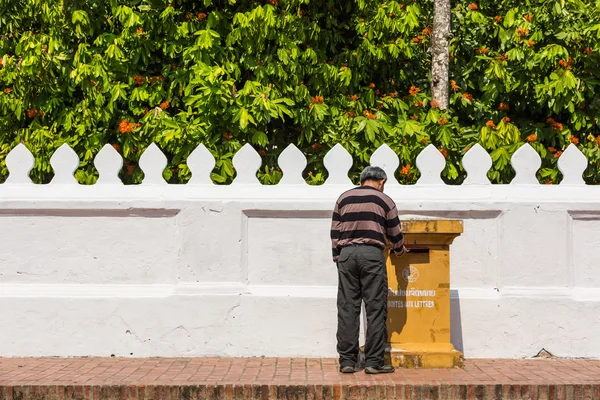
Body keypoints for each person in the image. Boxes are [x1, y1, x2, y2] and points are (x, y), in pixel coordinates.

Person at [330, 166, 406, 374]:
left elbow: (334, 231)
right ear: (381, 181)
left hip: (346, 255)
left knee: (347, 307)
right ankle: (373, 362)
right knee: (375, 308)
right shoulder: (385, 200)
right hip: (372, 254)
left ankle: (347, 361)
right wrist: (399, 251)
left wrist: (339, 257)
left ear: (362, 180)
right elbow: (395, 232)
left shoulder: (343, 198)